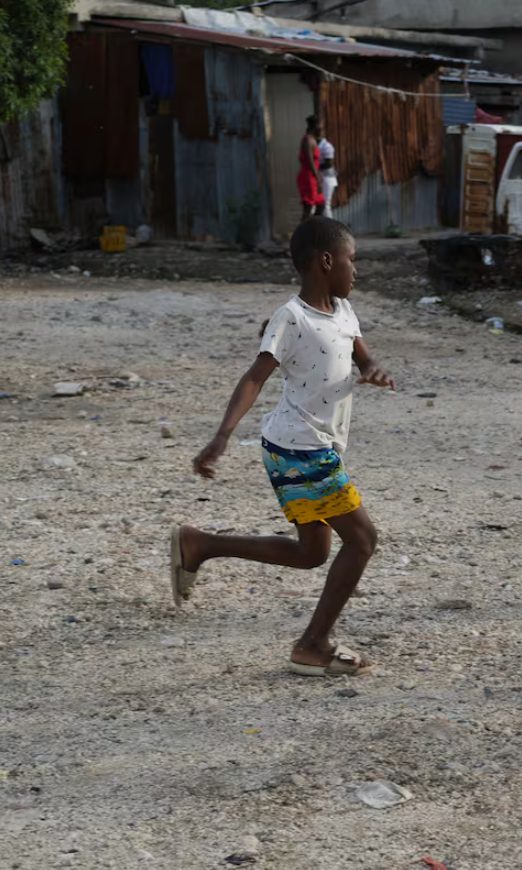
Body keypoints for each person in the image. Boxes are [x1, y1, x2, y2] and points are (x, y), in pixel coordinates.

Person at [171, 217, 396, 677]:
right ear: (326, 261)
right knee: (363, 539)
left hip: (311, 446)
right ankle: (313, 644)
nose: (357, 271)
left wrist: (372, 369)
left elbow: (361, 353)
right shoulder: (291, 318)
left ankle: (199, 544)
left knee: (312, 553)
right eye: (352, 261)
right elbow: (256, 377)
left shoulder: (344, 310)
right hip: (299, 448)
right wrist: (222, 436)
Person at [298, 115, 326, 222]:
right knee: (308, 208)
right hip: (308, 177)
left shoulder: (312, 139)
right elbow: (310, 162)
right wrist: (317, 178)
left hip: (312, 176)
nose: (322, 129)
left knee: (321, 205)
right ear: (315, 126)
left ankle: (311, 228)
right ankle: (301, 234)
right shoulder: (308, 140)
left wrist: (317, 176)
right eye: (321, 126)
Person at [318, 134, 338, 219]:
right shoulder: (316, 144)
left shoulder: (326, 146)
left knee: (326, 204)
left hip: (327, 178)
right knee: (321, 204)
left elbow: (329, 163)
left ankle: (330, 228)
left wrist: (315, 166)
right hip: (322, 177)